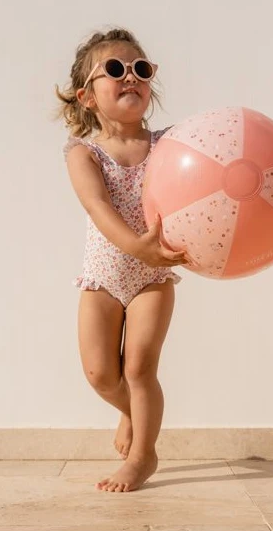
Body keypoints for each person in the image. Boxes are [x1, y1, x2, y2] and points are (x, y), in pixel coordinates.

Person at [56, 27, 191, 492]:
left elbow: (204, 174)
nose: (130, 77)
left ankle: (143, 457)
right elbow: (98, 207)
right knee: (99, 374)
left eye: (141, 69)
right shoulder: (83, 153)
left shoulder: (168, 145)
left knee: (139, 369)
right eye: (115, 69)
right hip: (103, 275)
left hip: (152, 276)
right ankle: (132, 413)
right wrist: (137, 245)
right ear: (86, 97)